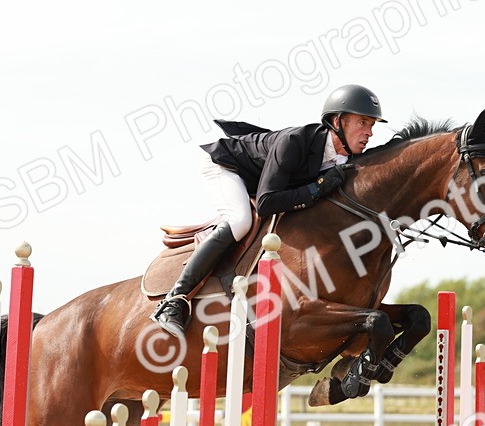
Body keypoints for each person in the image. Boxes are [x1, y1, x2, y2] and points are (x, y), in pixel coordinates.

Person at [151, 84, 387, 334]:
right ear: (337, 121)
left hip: (260, 180)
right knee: (240, 221)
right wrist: (317, 188)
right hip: (226, 167)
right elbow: (266, 203)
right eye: (363, 122)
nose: (369, 132)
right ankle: (174, 300)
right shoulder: (294, 142)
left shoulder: (346, 159)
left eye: (372, 125)